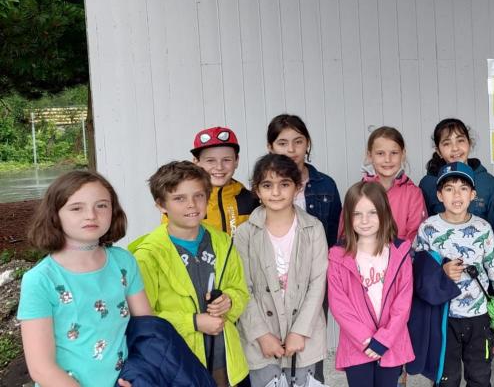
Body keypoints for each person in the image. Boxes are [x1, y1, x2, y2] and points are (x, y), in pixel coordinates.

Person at [19, 170, 152, 387]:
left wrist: (139, 374)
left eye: (101, 205)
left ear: (113, 210)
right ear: (55, 215)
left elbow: (147, 330)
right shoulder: (40, 280)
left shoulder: (123, 262)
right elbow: (41, 368)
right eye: (76, 208)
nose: (91, 215)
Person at [131, 161, 249, 387]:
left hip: (225, 360)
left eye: (198, 196)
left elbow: (241, 290)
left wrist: (229, 301)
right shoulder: (148, 255)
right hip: (177, 364)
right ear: (161, 205)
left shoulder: (223, 241)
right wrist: (193, 322)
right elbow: (144, 320)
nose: (192, 205)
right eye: (179, 198)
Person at [413, 161, 494, 387]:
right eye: (449, 189)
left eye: (463, 188)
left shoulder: (483, 228)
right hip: (442, 317)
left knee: (480, 377)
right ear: (439, 195)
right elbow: (416, 272)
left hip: (478, 316)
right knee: (446, 380)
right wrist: (441, 272)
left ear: (473, 194)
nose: (456, 195)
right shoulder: (428, 228)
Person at [234, 154, 328, 386]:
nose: (276, 192)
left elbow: (318, 283)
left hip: (305, 337)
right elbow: (242, 288)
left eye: (284, 184)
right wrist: (262, 335)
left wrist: (300, 331)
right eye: (267, 185)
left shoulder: (313, 228)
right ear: (256, 190)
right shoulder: (245, 233)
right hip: (261, 340)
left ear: (297, 188)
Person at [327, 181, 414, 387]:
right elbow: (339, 305)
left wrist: (384, 339)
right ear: (348, 216)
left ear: (384, 212)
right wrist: (366, 340)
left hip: (391, 342)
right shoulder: (338, 256)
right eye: (357, 214)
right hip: (356, 345)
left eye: (372, 212)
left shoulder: (399, 253)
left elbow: (403, 303)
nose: (364, 220)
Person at [267, 114, 342, 247]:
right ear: (271, 147)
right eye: (282, 143)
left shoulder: (326, 185)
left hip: (319, 263)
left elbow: (336, 234)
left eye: (298, 141)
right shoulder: (264, 187)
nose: (291, 149)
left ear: (307, 143)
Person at [418, 118, 494, 233]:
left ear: (470, 143)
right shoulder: (427, 184)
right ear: (438, 151)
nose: (455, 148)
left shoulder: (488, 183)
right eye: (447, 143)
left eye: (460, 140)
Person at [188, 126, 259, 235]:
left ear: (236, 161)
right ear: (196, 162)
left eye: (226, 160)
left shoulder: (252, 200)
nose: (219, 167)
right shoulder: (186, 202)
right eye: (210, 160)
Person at [362, 126, 428, 242]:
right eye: (380, 153)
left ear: (402, 154)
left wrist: (395, 258)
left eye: (394, 153)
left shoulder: (413, 194)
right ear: (370, 155)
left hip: (403, 259)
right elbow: (346, 236)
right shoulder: (359, 193)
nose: (388, 159)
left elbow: (416, 238)